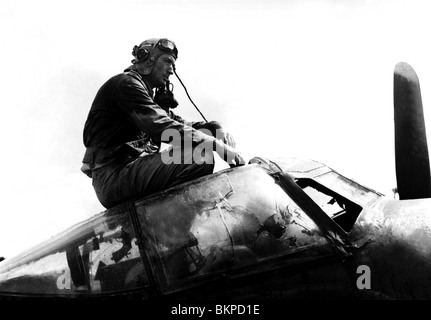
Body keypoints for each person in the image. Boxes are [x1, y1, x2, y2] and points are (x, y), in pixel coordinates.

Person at [81, 38, 245, 209]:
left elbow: (182, 123)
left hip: (126, 173)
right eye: (167, 61)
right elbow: (161, 126)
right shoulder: (126, 84)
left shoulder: (147, 97)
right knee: (199, 157)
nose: (171, 71)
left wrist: (216, 128)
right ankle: (173, 219)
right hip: (113, 176)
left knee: (197, 149)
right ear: (148, 59)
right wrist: (216, 145)